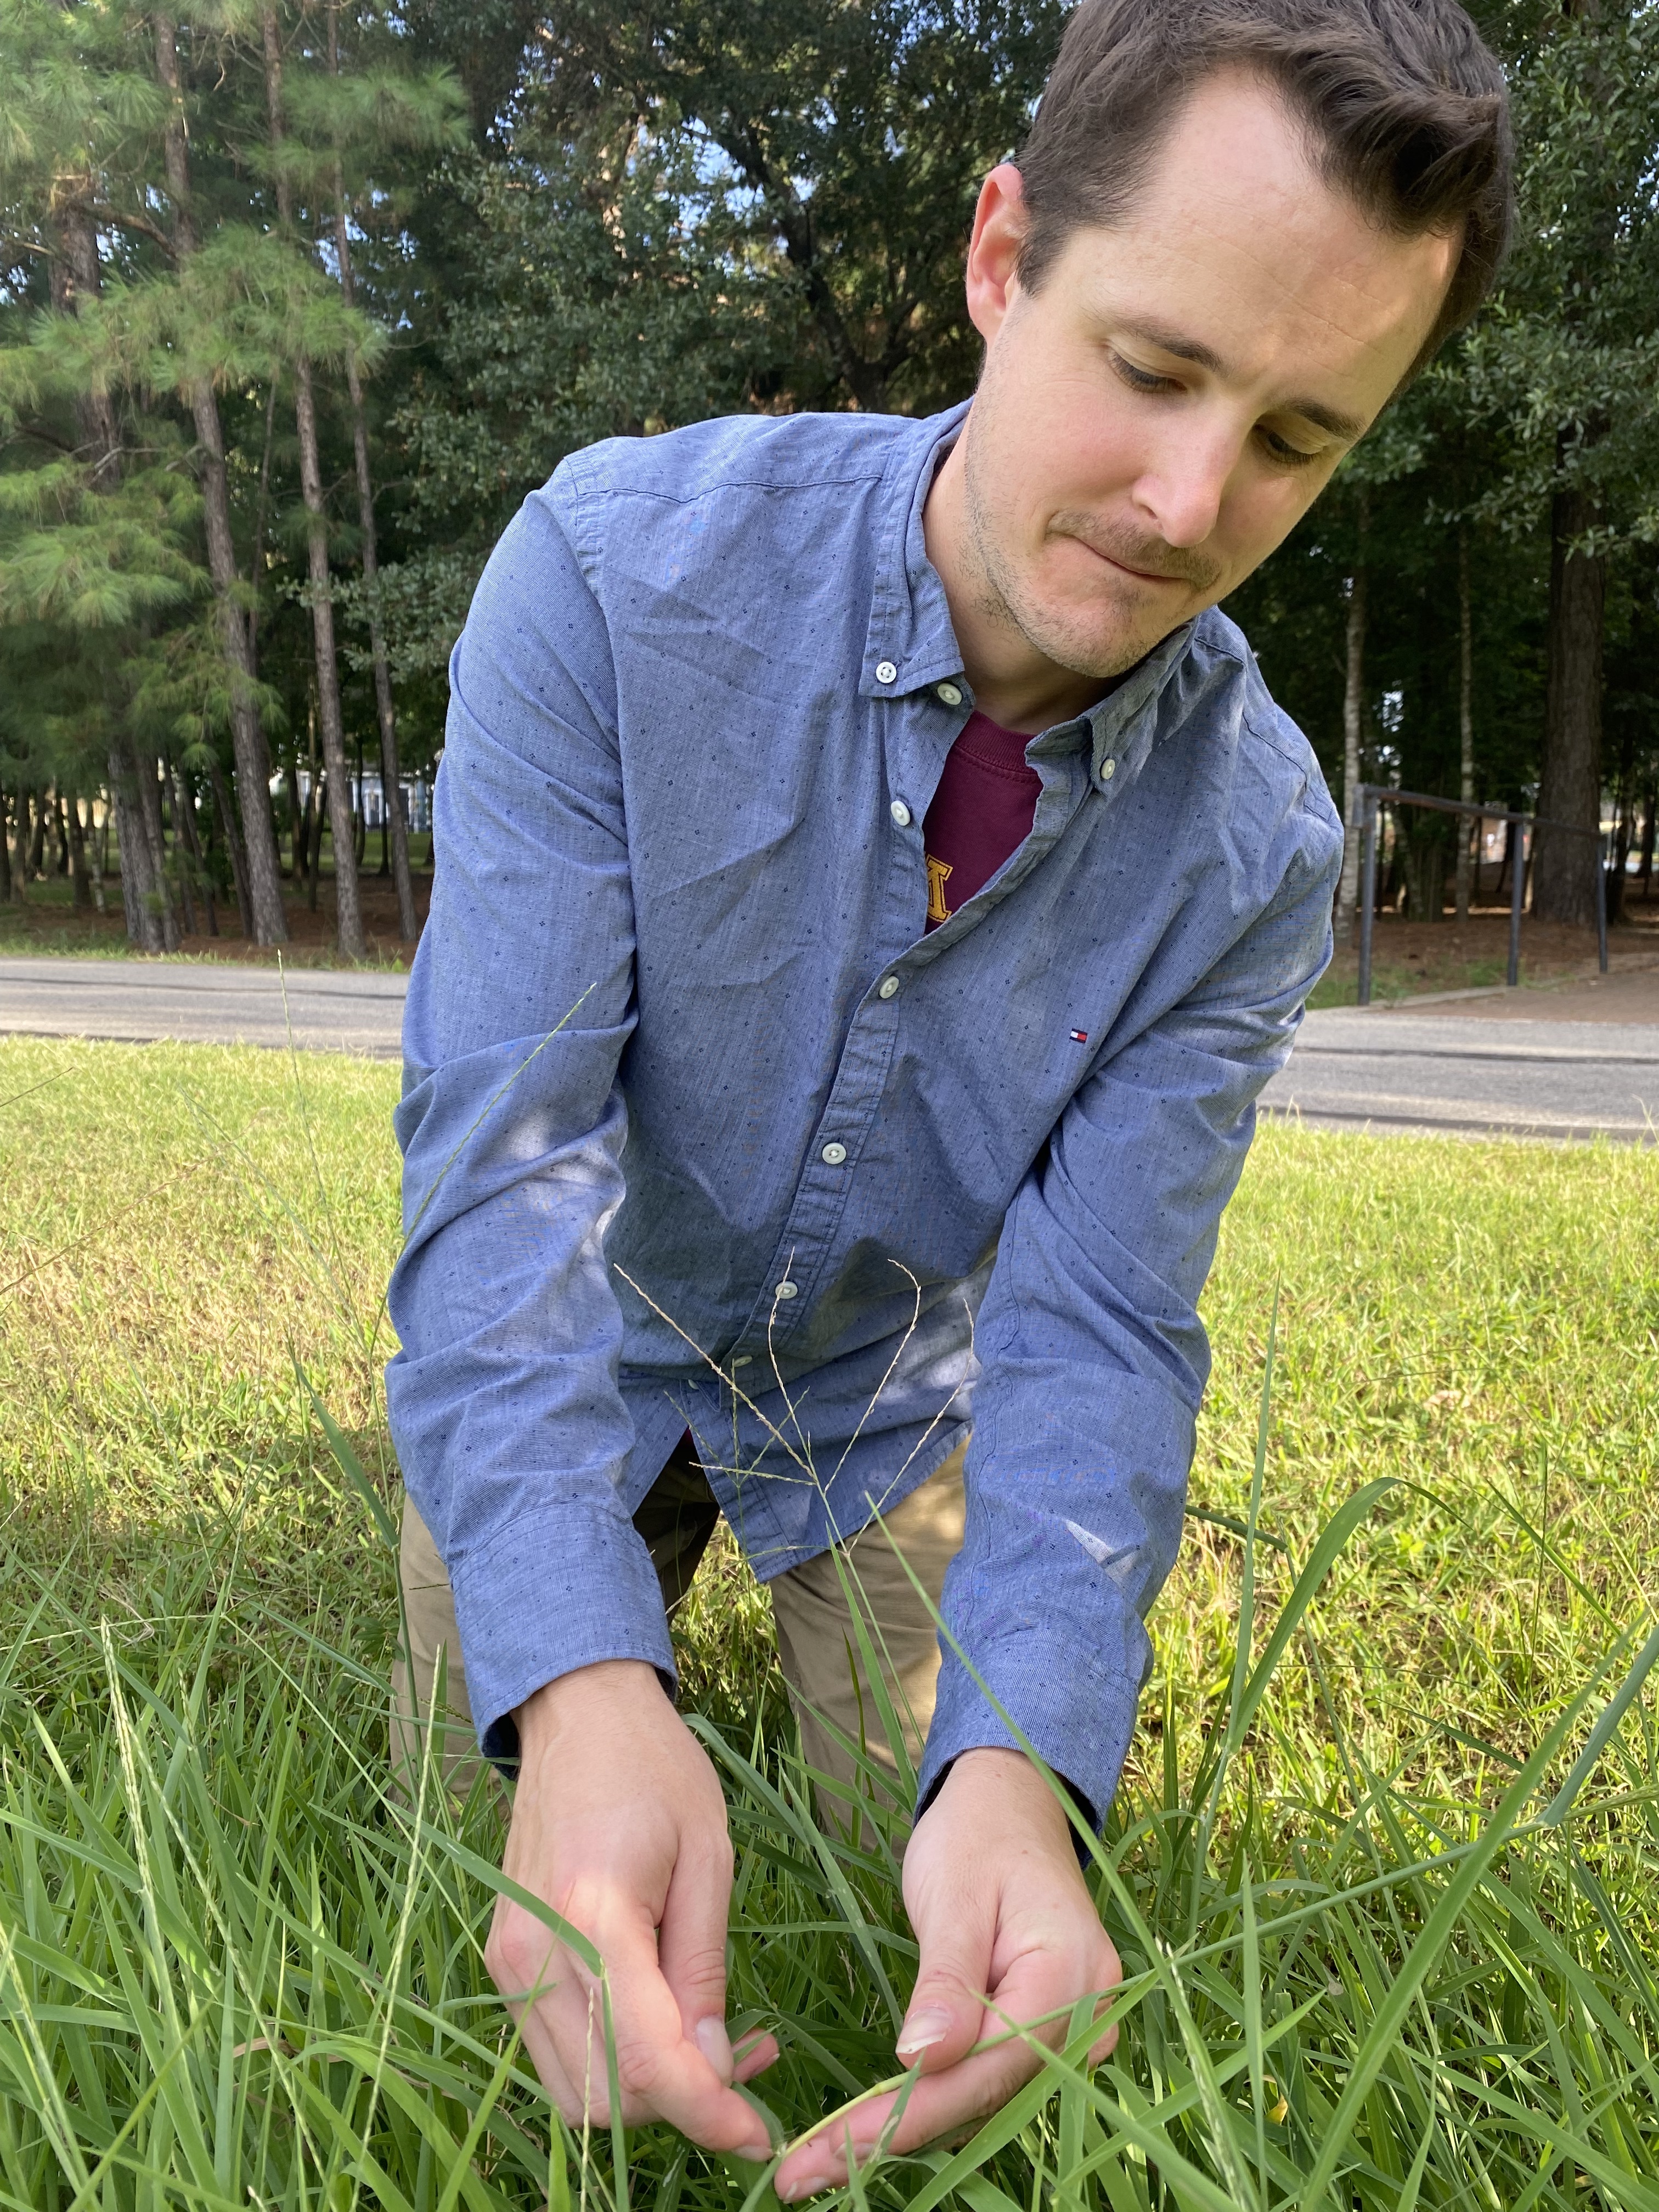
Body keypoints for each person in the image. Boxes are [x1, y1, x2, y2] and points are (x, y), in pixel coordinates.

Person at [385, 0, 1512, 2193]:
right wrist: (580, 1682)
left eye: (1298, 435)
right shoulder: (609, 582)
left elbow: (1103, 1328)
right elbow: (500, 1179)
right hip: (589, 1337)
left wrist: (1023, 1768)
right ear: (1003, 257)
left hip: (901, 1397)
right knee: (480, 1845)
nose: (1196, 505)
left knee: (955, 1856)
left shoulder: (1259, 849)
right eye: (1157, 369)